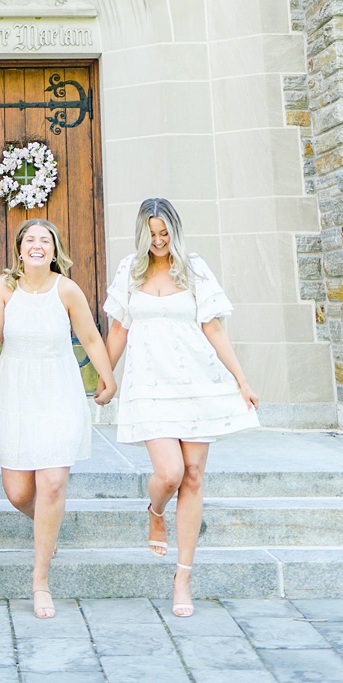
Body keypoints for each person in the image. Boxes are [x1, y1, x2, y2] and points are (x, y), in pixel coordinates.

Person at [104, 196, 260, 619]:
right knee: (169, 473)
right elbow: (119, 329)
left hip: (196, 381)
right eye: (151, 234)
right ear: (141, 234)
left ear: (174, 228)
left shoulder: (194, 268)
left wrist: (242, 380)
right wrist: (104, 376)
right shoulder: (129, 271)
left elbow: (213, 327)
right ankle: (155, 511)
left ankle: (183, 577)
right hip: (148, 383)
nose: (158, 241)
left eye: (164, 232)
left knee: (192, 476)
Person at [0, 216, 117, 619]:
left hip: (58, 391)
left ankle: (40, 582)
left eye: (45, 240)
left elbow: (89, 336)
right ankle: (47, 528)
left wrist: (108, 378)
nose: (37, 245)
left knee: (51, 483)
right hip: (15, 390)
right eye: (30, 239)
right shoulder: (5, 287)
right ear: (20, 248)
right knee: (19, 492)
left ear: (54, 250)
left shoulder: (67, 289)